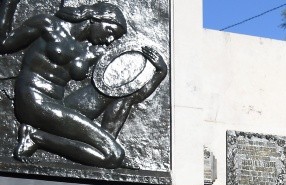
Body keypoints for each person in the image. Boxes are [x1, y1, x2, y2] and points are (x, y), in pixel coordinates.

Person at [0, 0, 168, 167]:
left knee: (117, 92)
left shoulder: (91, 49)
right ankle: (37, 137)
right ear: (95, 18)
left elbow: (129, 98)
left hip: (58, 105)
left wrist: (160, 73)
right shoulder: (48, 24)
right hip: (34, 102)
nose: (109, 39)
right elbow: (4, 43)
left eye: (113, 37)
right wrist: (8, 4)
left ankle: (104, 141)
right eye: (110, 31)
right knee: (114, 155)